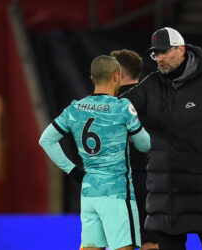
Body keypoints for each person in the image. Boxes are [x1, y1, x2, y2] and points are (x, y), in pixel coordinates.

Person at [121, 27, 202, 250]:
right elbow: (121, 108)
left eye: (164, 52)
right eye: (155, 54)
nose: (159, 58)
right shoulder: (151, 84)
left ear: (181, 49)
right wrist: (98, 106)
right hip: (166, 193)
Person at [39, 55, 151, 250]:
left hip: (89, 192)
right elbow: (145, 145)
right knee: (124, 247)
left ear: (92, 78)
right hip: (117, 193)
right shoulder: (122, 108)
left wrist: (73, 171)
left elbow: (46, 140)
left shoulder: (74, 108)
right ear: (116, 76)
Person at [110, 49, 159, 250]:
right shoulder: (155, 100)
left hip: (119, 184)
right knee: (151, 240)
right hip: (152, 183)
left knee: (121, 241)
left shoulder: (111, 104)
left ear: (118, 74)